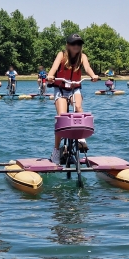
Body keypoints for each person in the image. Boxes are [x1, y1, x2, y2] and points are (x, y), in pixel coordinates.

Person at [47, 33, 99, 165]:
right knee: (62, 117)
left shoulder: (82, 56)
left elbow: (87, 68)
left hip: (75, 87)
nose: (77, 46)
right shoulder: (61, 55)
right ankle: (56, 151)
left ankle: (80, 137)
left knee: (79, 108)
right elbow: (53, 68)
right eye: (74, 44)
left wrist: (93, 75)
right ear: (68, 45)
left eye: (79, 44)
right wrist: (50, 75)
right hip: (60, 88)